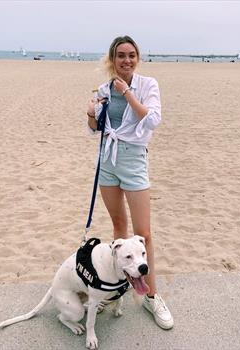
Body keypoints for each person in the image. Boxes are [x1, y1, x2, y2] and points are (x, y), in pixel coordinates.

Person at [86, 35, 173, 330]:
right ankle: (115, 291)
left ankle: (152, 296)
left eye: (131, 55)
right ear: (112, 59)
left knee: (144, 234)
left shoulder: (148, 84)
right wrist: (90, 112)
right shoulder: (104, 88)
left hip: (134, 159)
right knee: (119, 232)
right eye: (121, 55)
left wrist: (128, 93)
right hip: (107, 161)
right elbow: (96, 128)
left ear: (138, 57)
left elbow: (152, 120)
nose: (126, 60)